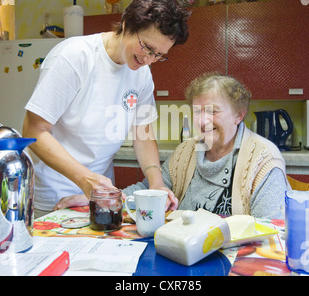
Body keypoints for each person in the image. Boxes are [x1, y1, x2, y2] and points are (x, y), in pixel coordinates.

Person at [23, 0, 189, 218]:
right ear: (126, 25)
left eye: (159, 55)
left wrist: (157, 183)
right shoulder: (75, 56)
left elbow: (142, 134)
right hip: (53, 194)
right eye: (147, 47)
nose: (148, 60)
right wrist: (85, 179)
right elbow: (33, 131)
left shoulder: (141, 73)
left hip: (100, 194)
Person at [123, 73, 291, 219]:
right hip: (183, 249)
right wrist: (114, 197)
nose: (202, 121)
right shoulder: (185, 152)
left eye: (213, 111)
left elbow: (270, 228)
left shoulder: (263, 159)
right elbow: (151, 189)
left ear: (238, 115)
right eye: (197, 111)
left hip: (235, 253)